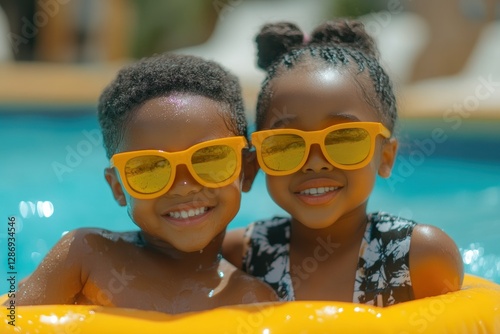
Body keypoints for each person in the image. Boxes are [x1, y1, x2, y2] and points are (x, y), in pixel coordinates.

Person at [11, 53, 278, 313]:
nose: (184, 186)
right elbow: (12, 322)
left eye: (209, 159)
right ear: (118, 187)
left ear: (248, 170)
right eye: (150, 168)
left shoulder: (251, 301)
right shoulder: (85, 258)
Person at [223, 20, 464, 306]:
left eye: (344, 139)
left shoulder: (419, 257)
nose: (314, 163)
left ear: (386, 157)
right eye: (286, 143)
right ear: (260, 157)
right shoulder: (243, 255)